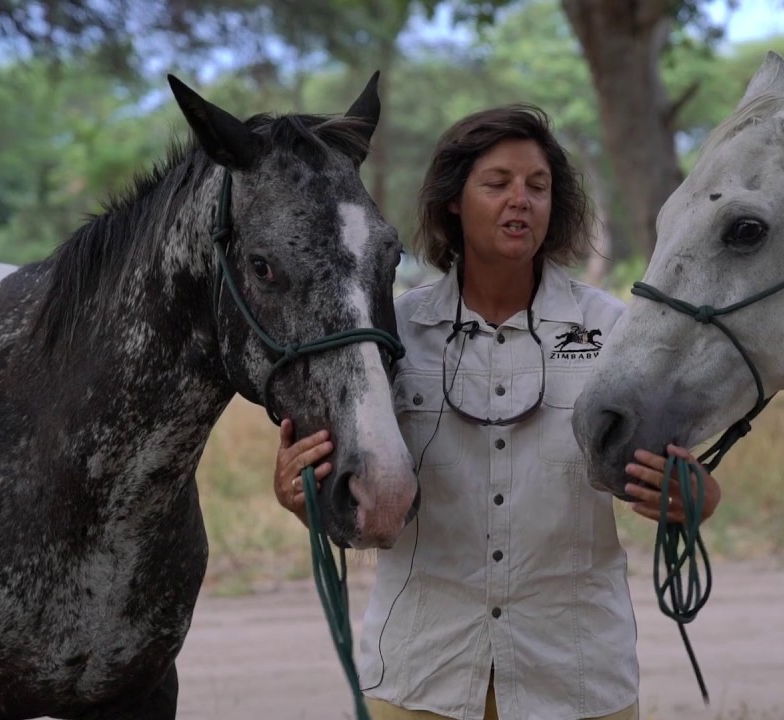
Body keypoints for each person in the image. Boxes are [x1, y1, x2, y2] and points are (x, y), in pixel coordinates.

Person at [272, 104, 721, 720]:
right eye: (498, 183)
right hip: (418, 674)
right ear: (454, 200)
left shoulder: (615, 333)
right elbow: (347, 493)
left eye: (538, 186)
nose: (522, 200)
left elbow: (670, 475)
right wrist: (301, 492)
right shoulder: (391, 334)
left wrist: (691, 498)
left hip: (574, 678)